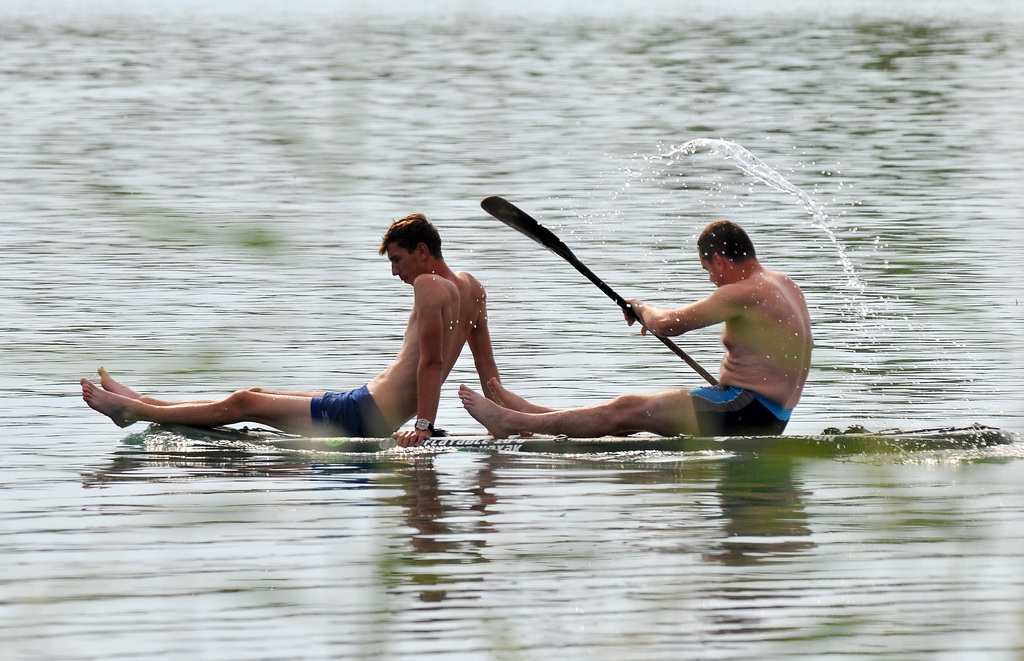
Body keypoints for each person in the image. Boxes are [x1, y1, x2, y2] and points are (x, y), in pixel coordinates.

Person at [81, 213, 501, 446]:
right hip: (362, 402)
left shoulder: (429, 285)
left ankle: (130, 412)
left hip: (364, 417)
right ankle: (148, 401)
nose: (395, 272)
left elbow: (431, 363)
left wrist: (423, 428)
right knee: (258, 394)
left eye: (397, 260)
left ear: (421, 251)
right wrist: (519, 421)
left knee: (245, 401)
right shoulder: (474, 289)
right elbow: (492, 383)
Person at [459, 219, 812, 439]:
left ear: (719, 260)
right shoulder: (785, 284)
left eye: (709, 271)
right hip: (769, 413)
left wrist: (641, 308)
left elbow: (670, 324)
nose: (712, 279)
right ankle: (530, 415)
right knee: (631, 419)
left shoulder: (742, 291)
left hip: (746, 410)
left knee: (627, 408)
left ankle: (508, 422)